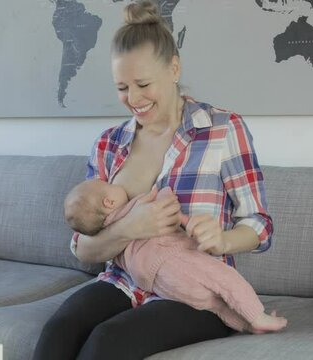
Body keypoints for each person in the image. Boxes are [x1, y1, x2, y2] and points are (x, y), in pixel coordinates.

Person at [33, 1, 275, 359]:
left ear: (173, 68)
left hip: (196, 293)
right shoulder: (109, 143)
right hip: (123, 281)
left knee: (108, 341)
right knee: (58, 331)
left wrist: (222, 238)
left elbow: (261, 226)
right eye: (122, 87)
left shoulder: (222, 129)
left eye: (143, 84)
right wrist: (129, 227)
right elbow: (84, 248)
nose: (133, 99)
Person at [63, 179, 287, 334]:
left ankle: (246, 326)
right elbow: (164, 200)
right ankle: (257, 316)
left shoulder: (107, 235)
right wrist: (165, 191)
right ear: (108, 202)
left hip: (159, 283)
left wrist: (225, 240)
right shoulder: (135, 206)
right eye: (109, 185)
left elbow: (259, 224)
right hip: (175, 259)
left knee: (213, 305)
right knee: (224, 281)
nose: (116, 184)